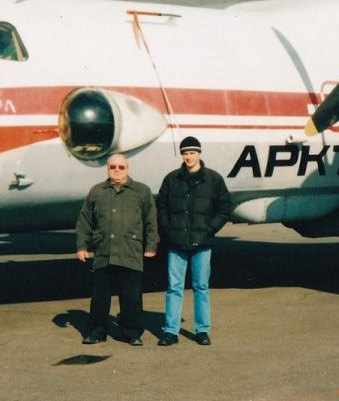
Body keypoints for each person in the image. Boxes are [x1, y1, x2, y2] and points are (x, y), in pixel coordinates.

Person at [76, 153, 159, 346]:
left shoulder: (141, 191)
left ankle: (131, 332)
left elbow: (151, 221)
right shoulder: (97, 192)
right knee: (100, 298)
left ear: (127, 169)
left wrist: (151, 245)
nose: (117, 170)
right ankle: (97, 332)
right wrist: (82, 245)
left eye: (121, 167)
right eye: (113, 167)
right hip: (103, 252)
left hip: (130, 252)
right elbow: (84, 220)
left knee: (131, 297)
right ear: (107, 169)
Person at [156, 136, 231, 346]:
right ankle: (170, 331)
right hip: (176, 242)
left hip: (202, 243)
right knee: (174, 287)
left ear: (199, 153)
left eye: (192, 153)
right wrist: (169, 231)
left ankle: (202, 330)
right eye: (185, 153)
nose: (189, 157)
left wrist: (210, 228)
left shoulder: (213, 180)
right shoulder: (171, 180)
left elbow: (225, 207)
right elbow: (161, 207)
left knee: (201, 286)